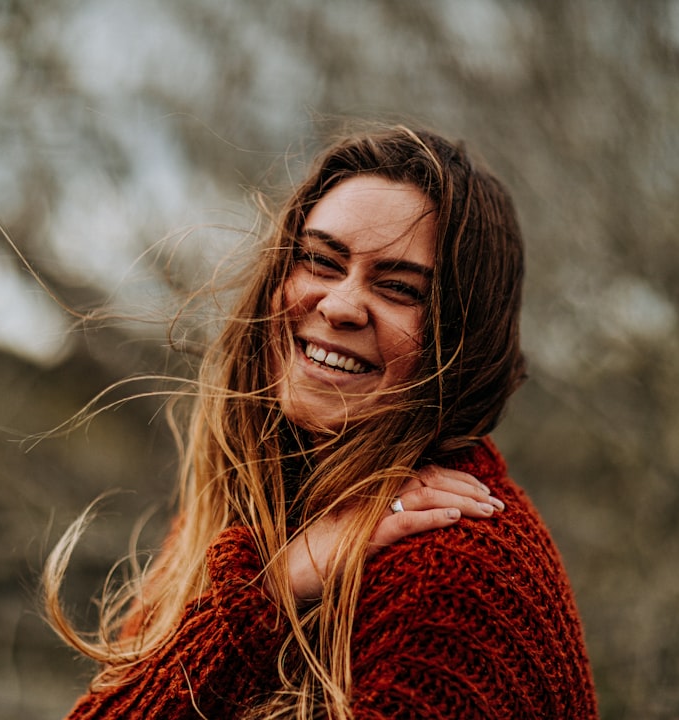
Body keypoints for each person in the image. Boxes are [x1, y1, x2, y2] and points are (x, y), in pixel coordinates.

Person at [44, 124, 598, 719]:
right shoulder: (255, 509)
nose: (338, 305)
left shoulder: (453, 575)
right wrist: (268, 592)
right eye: (320, 261)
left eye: (397, 288)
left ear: (463, 337)